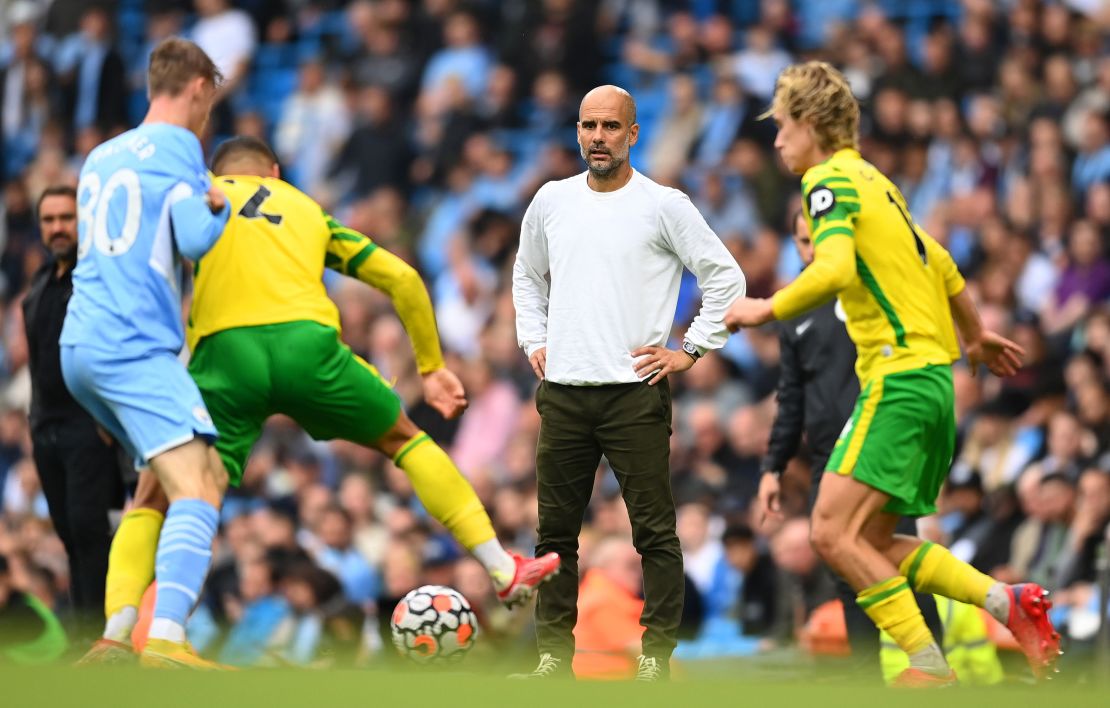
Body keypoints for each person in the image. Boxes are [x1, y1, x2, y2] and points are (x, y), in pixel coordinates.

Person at [85, 134, 560, 664]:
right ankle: (500, 567)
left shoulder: (198, 200)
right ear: (275, 170)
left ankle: (118, 633)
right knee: (406, 440)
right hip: (307, 349)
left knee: (157, 492)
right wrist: (430, 368)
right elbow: (402, 278)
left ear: (218, 174)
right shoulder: (305, 207)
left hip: (225, 355)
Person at [725, 61, 1059, 687]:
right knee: (871, 541)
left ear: (811, 124)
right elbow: (941, 261)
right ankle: (1005, 602)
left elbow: (835, 271)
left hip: (897, 380)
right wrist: (976, 333)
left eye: (783, 126)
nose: (776, 141)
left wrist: (762, 308)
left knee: (827, 531)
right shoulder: (879, 184)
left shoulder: (826, 181)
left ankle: (928, 667)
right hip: (932, 385)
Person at [512, 85, 745, 681]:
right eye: (588, 125)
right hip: (563, 389)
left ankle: (656, 656)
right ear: (577, 131)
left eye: (611, 126)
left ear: (633, 134)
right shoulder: (551, 200)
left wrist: (690, 349)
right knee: (554, 534)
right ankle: (552, 659)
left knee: (654, 531)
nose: (597, 137)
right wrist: (533, 339)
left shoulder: (664, 204)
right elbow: (527, 275)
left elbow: (725, 278)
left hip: (632, 390)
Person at [63, 37, 232, 669]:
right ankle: (163, 640)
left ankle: (116, 632)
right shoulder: (182, 148)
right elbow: (193, 240)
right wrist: (216, 207)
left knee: (153, 487)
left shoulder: (100, 156)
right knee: (203, 483)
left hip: (78, 347)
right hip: (133, 347)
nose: (207, 113)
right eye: (209, 99)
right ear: (197, 87)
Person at [758, 211, 942, 677]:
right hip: (826, 461)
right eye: (801, 242)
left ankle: (937, 671)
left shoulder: (872, 288)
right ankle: (866, 686)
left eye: (817, 239)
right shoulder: (793, 306)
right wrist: (773, 467)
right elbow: (791, 396)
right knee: (845, 574)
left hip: (879, 449)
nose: (810, 250)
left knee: (897, 555)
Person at [22, 185, 125, 638]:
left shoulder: (99, 278)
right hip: (47, 429)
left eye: (66, 218)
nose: (58, 227)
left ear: (84, 222)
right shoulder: (41, 282)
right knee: (68, 535)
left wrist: (109, 419)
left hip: (88, 425)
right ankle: (89, 637)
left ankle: (103, 639)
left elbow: (122, 346)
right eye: (49, 220)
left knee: (89, 534)